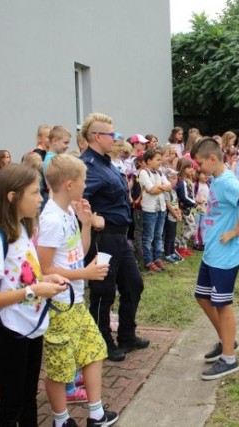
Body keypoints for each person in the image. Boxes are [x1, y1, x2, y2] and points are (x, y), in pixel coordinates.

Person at [0, 163, 69, 426]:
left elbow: (22, 275)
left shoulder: (24, 229)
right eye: (34, 193)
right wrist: (33, 291)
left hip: (31, 325)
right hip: (9, 330)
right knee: (12, 402)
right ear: (12, 196)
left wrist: (45, 280)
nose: (41, 198)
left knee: (28, 396)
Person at [37, 154, 118, 427]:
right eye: (84, 180)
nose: (86, 185)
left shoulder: (69, 212)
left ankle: (95, 414)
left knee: (94, 350)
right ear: (69, 183)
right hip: (58, 305)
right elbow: (44, 270)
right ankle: (61, 421)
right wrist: (84, 274)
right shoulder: (50, 219)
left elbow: (78, 253)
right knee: (60, 369)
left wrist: (85, 224)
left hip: (75, 301)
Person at [80, 112, 150, 363]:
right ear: (97, 137)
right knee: (103, 291)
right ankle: (102, 341)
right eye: (112, 134)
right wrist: (92, 218)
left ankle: (127, 335)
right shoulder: (87, 165)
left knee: (133, 284)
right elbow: (77, 199)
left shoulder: (107, 163)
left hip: (120, 237)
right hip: (104, 237)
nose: (116, 138)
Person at [189, 137, 239, 380]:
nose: (198, 168)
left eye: (199, 163)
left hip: (225, 255)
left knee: (222, 304)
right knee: (202, 297)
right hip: (212, 252)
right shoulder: (216, 179)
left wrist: (237, 229)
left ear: (213, 159)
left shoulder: (226, 181)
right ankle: (227, 340)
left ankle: (229, 359)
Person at [139, 148, 171, 273]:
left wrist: (159, 187)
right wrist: (160, 188)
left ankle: (157, 258)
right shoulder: (143, 173)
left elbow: (169, 186)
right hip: (150, 210)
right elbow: (151, 190)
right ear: (149, 161)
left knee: (158, 236)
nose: (160, 161)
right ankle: (148, 261)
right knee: (148, 237)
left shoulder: (160, 173)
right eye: (157, 159)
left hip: (161, 209)